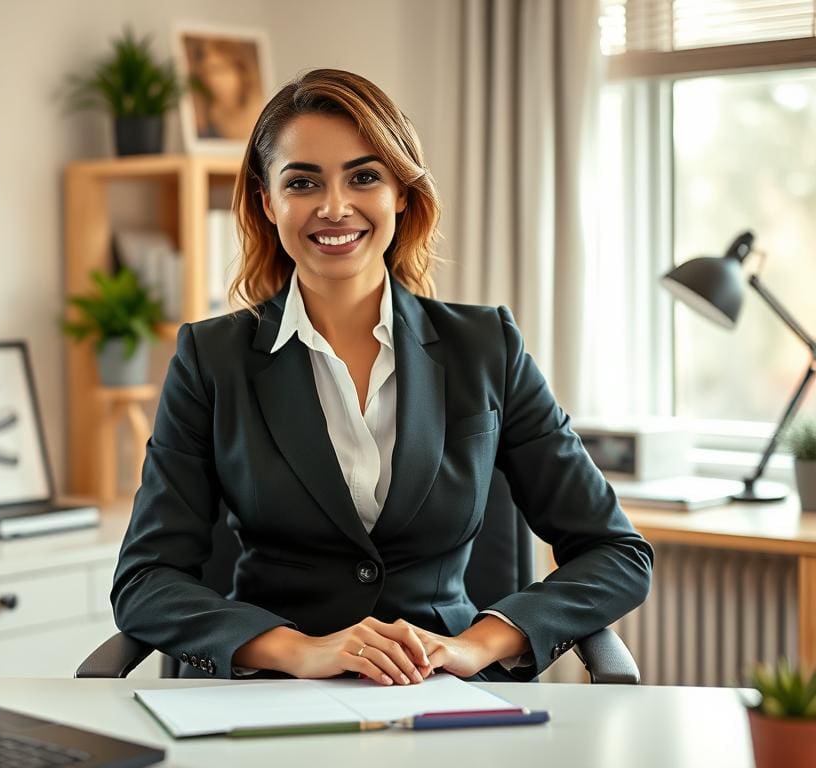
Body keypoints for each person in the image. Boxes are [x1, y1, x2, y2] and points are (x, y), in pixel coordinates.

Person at [111, 68, 654, 686]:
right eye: (303, 182)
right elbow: (145, 581)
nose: (334, 206)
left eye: (364, 176)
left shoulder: (486, 347)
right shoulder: (211, 358)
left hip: (442, 691)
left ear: (401, 192)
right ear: (268, 201)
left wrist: (477, 644)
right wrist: (297, 649)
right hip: (272, 695)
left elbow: (616, 553)